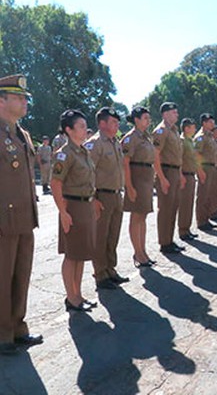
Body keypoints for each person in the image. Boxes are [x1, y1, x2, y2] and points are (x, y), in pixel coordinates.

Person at [0, 74, 42, 355]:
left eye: (25, 97)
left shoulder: (23, 134)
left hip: (25, 218)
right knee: (2, 277)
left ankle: (17, 327)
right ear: (1, 101)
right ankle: (2, 334)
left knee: (21, 275)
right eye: (18, 97)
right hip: (3, 220)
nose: (25, 101)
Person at [50, 109, 96, 313]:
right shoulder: (64, 153)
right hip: (72, 206)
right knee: (71, 254)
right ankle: (71, 297)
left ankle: (78, 294)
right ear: (68, 130)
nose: (85, 130)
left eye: (85, 126)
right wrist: (63, 212)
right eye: (81, 126)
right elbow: (55, 183)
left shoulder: (84, 151)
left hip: (85, 205)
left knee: (81, 253)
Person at [84, 107, 128, 290]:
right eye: (113, 122)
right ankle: (100, 274)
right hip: (102, 195)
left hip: (116, 194)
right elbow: (87, 172)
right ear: (102, 124)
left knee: (113, 235)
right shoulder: (95, 144)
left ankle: (110, 269)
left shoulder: (114, 142)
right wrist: (92, 198)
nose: (117, 125)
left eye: (118, 122)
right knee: (101, 237)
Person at [121, 106, 155, 267]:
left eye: (149, 118)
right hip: (137, 177)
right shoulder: (131, 138)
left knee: (143, 216)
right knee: (136, 216)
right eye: (145, 118)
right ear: (136, 120)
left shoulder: (146, 137)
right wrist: (129, 186)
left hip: (146, 178)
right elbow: (125, 162)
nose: (148, 121)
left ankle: (143, 251)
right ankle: (138, 253)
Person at [152, 102, 184, 254]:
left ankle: (170, 240)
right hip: (166, 171)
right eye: (173, 112)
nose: (176, 115)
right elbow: (155, 155)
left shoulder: (174, 131)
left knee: (173, 207)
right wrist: (162, 178)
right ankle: (164, 242)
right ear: (165, 114)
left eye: (176, 112)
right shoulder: (161, 131)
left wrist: (180, 174)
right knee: (165, 208)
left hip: (175, 171)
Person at [194, 113, 217, 231]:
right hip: (204, 167)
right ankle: (201, 221)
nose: (212, 124)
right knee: (203, 195)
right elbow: (196, 154)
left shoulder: (210, 136)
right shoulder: (201, 136)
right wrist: (199, 170)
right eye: (210, 122)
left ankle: (206, 218)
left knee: (209, 194)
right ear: (204, 123)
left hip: (211, 167)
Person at [177, 118, 199, 241]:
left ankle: (187, 229)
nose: (195, 129)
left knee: (189, 204)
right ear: (186, 129)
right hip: (185, 175)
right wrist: (180, 176)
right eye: (192, 127)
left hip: (191, 175)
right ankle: (182, 230)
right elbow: (179, 159)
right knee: (184, 204)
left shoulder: (190, 141)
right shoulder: (182, 141)